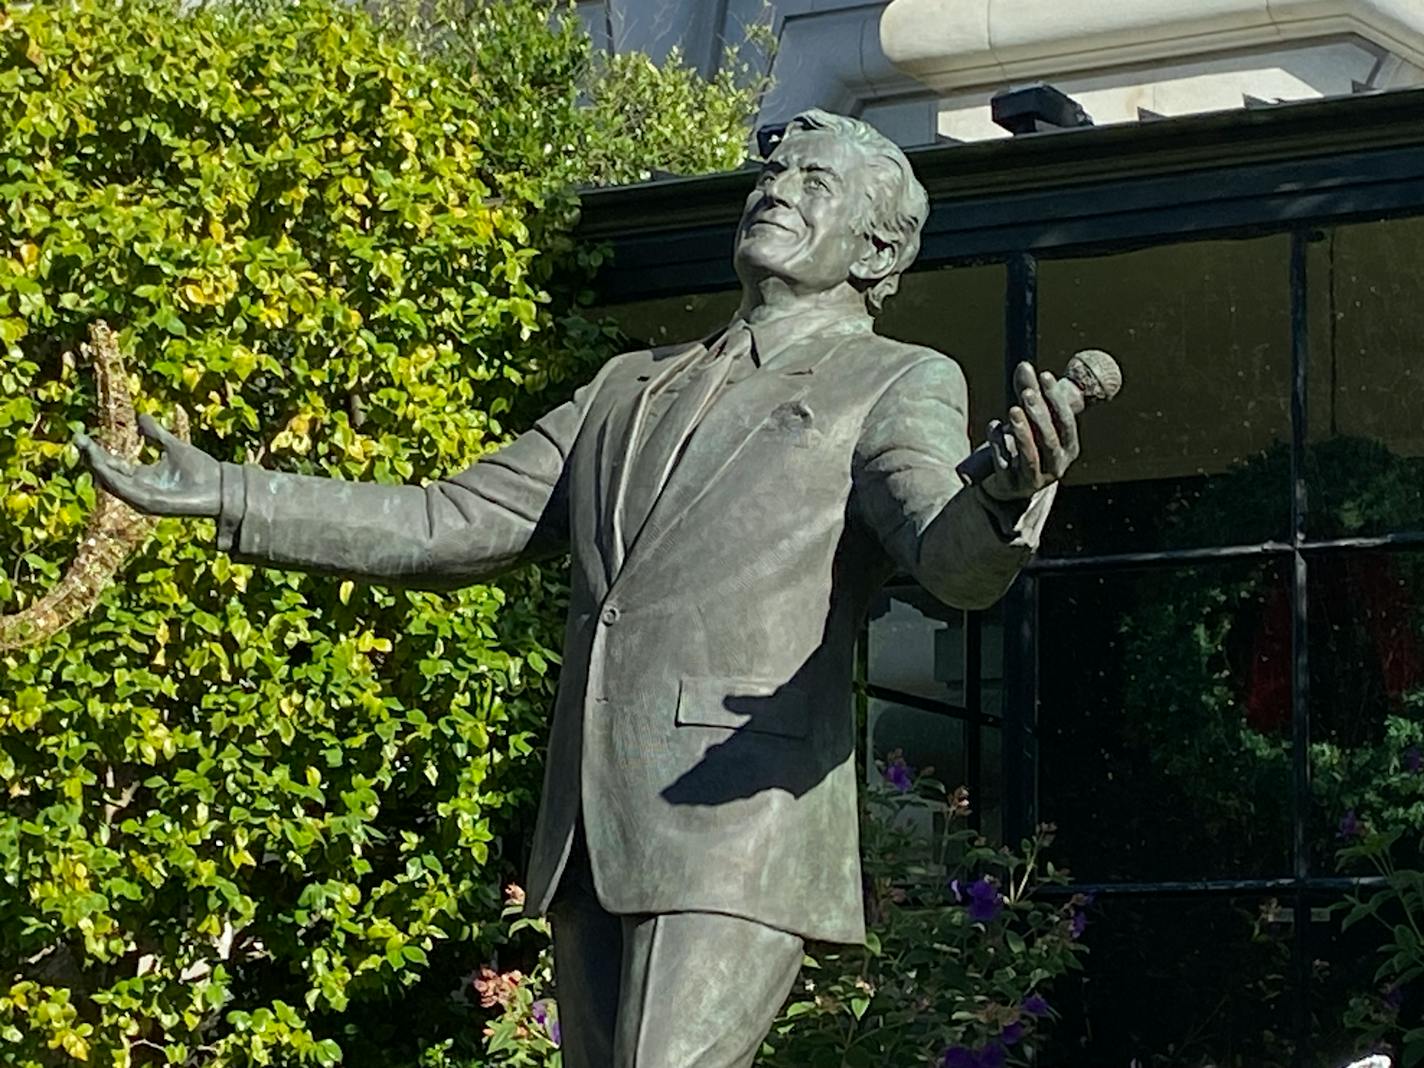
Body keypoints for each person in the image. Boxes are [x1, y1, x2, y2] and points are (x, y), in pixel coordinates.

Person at [77, 109, 1081, 1068]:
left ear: (875, 254)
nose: (773, 192)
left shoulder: (895, 382)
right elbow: (447, 522)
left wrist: (1003, 491)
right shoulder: (623, 387)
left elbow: (944, 553)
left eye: (812, 182)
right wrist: (227, 491)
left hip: (737, 825)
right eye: (772, 173)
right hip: (592, 825)